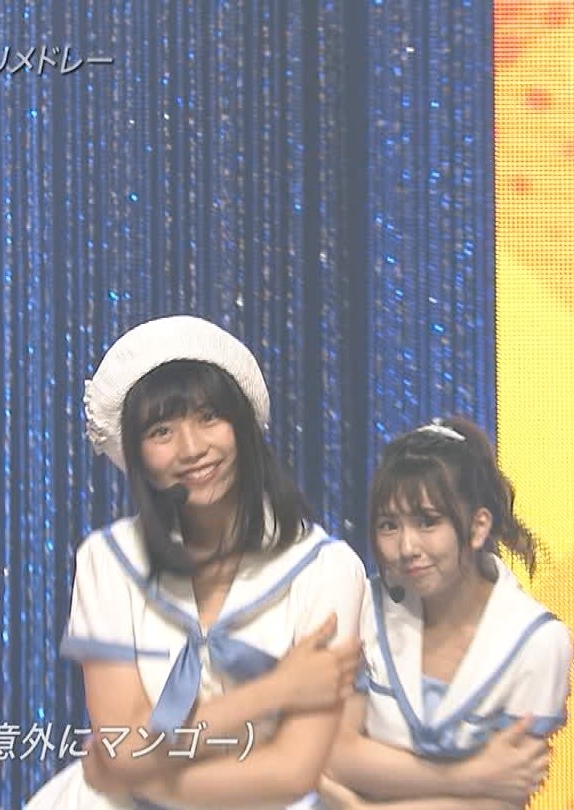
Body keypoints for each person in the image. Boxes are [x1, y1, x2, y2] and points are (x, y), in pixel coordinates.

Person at [25, 315, 367, 809]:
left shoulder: (327, 569)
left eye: (209, 417)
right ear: (137, 454)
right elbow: (121, 749)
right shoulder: (107, 560)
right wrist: (277, 689)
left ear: (242, 425)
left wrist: (140, 773)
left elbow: (292, 772)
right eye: (161, 430)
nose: (191, 449)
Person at [319, 417, 573, 810]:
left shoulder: (538, 641)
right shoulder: (363, 605)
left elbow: (502, 796)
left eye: (427, 522)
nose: (407, 547)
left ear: (478, 527)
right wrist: (471, 775)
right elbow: (335, 753)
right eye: (389, 525)